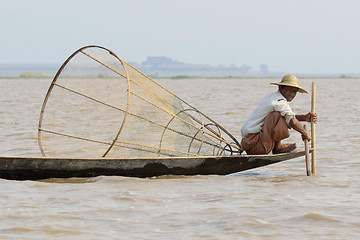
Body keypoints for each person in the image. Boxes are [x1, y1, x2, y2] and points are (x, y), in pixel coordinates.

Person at [241, 74, 317, 155]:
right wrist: (305, 134)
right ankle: (277, 147)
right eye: (289, 90)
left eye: (294, 91)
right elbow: (292, 121)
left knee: (280, 115)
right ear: (280, 88)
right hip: (256, 146)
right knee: (277, 115)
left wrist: (304, 117)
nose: (292, 94)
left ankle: (277, 147)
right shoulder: (279, 102)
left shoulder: (271, 97)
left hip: (251, 144)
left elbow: (289, 118)